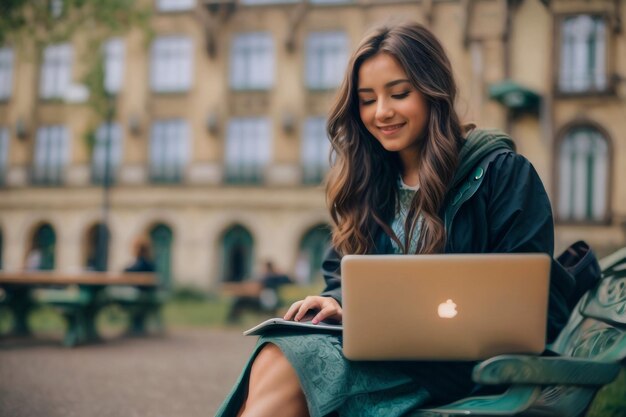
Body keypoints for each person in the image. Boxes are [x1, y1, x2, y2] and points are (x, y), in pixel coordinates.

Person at [216, 21, 573, 417]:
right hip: (381, 354)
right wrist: (334, 301)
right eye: (367, 100)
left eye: (399, 94)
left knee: (290, 365)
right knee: (278, 351)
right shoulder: (368, 181)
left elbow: (528, 296)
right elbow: (343, 276)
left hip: (462, 368)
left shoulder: (501, 173)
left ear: (433, 92)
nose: (381, 112)